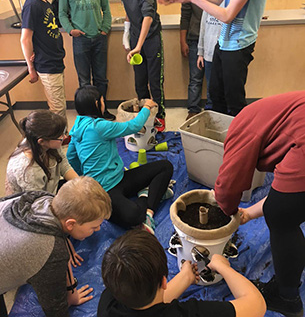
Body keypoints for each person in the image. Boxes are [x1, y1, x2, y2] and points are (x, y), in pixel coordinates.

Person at [214, 91, 305, 317]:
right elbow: (285, 194)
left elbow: (228, 185)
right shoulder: (261, 117)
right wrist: (246, 215)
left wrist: (227, 212)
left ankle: (287, 299)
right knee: (284, 208)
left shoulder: (241, 132)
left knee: (281, 218)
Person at [67, 85, 173, 233]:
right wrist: (147, 107)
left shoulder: (76, 127)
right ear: (97, 104)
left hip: (119, 177)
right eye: (102, 100)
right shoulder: (99, 126)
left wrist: (85, 177)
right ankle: (146, 198)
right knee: (134, 216)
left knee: (165, 166)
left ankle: (148, 210)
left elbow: (71, 156)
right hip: (105, 191)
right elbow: (134, 126)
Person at [0, 176, 112, 317]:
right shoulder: (47, 249)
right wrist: (67, 300)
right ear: (70, 224)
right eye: (94, 227)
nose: (98, 229)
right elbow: (55, 309)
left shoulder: (42, 198)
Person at [98, 229, 266, 317]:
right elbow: (257, 306)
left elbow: (149, 307)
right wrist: (223, 267)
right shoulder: (187, 313)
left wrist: (184, 278)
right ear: (164, 281)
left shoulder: (107, 304)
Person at [108, 0, 165, 132]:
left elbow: (148, 16)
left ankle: (160, 117)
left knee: (155, 82)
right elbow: (129, 12)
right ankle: (144, 117)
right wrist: (127, 36)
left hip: (151, 39)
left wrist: (138, 46)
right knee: (140, 82)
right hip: (135, 40)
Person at [58, 0, 115, 121]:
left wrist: (105, 29)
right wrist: (70, 30)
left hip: (99, 38)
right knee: (84, 81)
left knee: (101, 79)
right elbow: (61, 13)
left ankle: (102, 111)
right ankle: (88, 115)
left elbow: (106, 9)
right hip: (80, 40)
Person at [21, 0, 67, 122]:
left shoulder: (44, 2)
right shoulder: (32, 5)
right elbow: (25, 39)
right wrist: (31, 68)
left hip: (55, 62)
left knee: (60, 106)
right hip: (47, 65)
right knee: (57, 110)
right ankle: (58, 144)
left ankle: (63, 138)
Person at [5, 110, 78, 196]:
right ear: (42, 141)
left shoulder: (45, 142)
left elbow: (64, 166)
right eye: (60, 135)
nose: (65, 137)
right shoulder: (29, 170)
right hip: (36, 202)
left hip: (49, 190)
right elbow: (38, 203)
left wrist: (81, 184)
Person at [180, 0, 215, 121]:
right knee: (195, 78)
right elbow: (185, 17)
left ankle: (211, 109)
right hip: (194, 39)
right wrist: (183, 41)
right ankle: (193, 109)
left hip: (214, 40)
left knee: (212, 78)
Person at [197, 0, 231, 110]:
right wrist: (201, 52)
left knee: (225, 91)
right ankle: (211, 117)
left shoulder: (231, 1)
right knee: (211, 90)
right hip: (209, 56)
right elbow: (203, 27)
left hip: (225, 55)